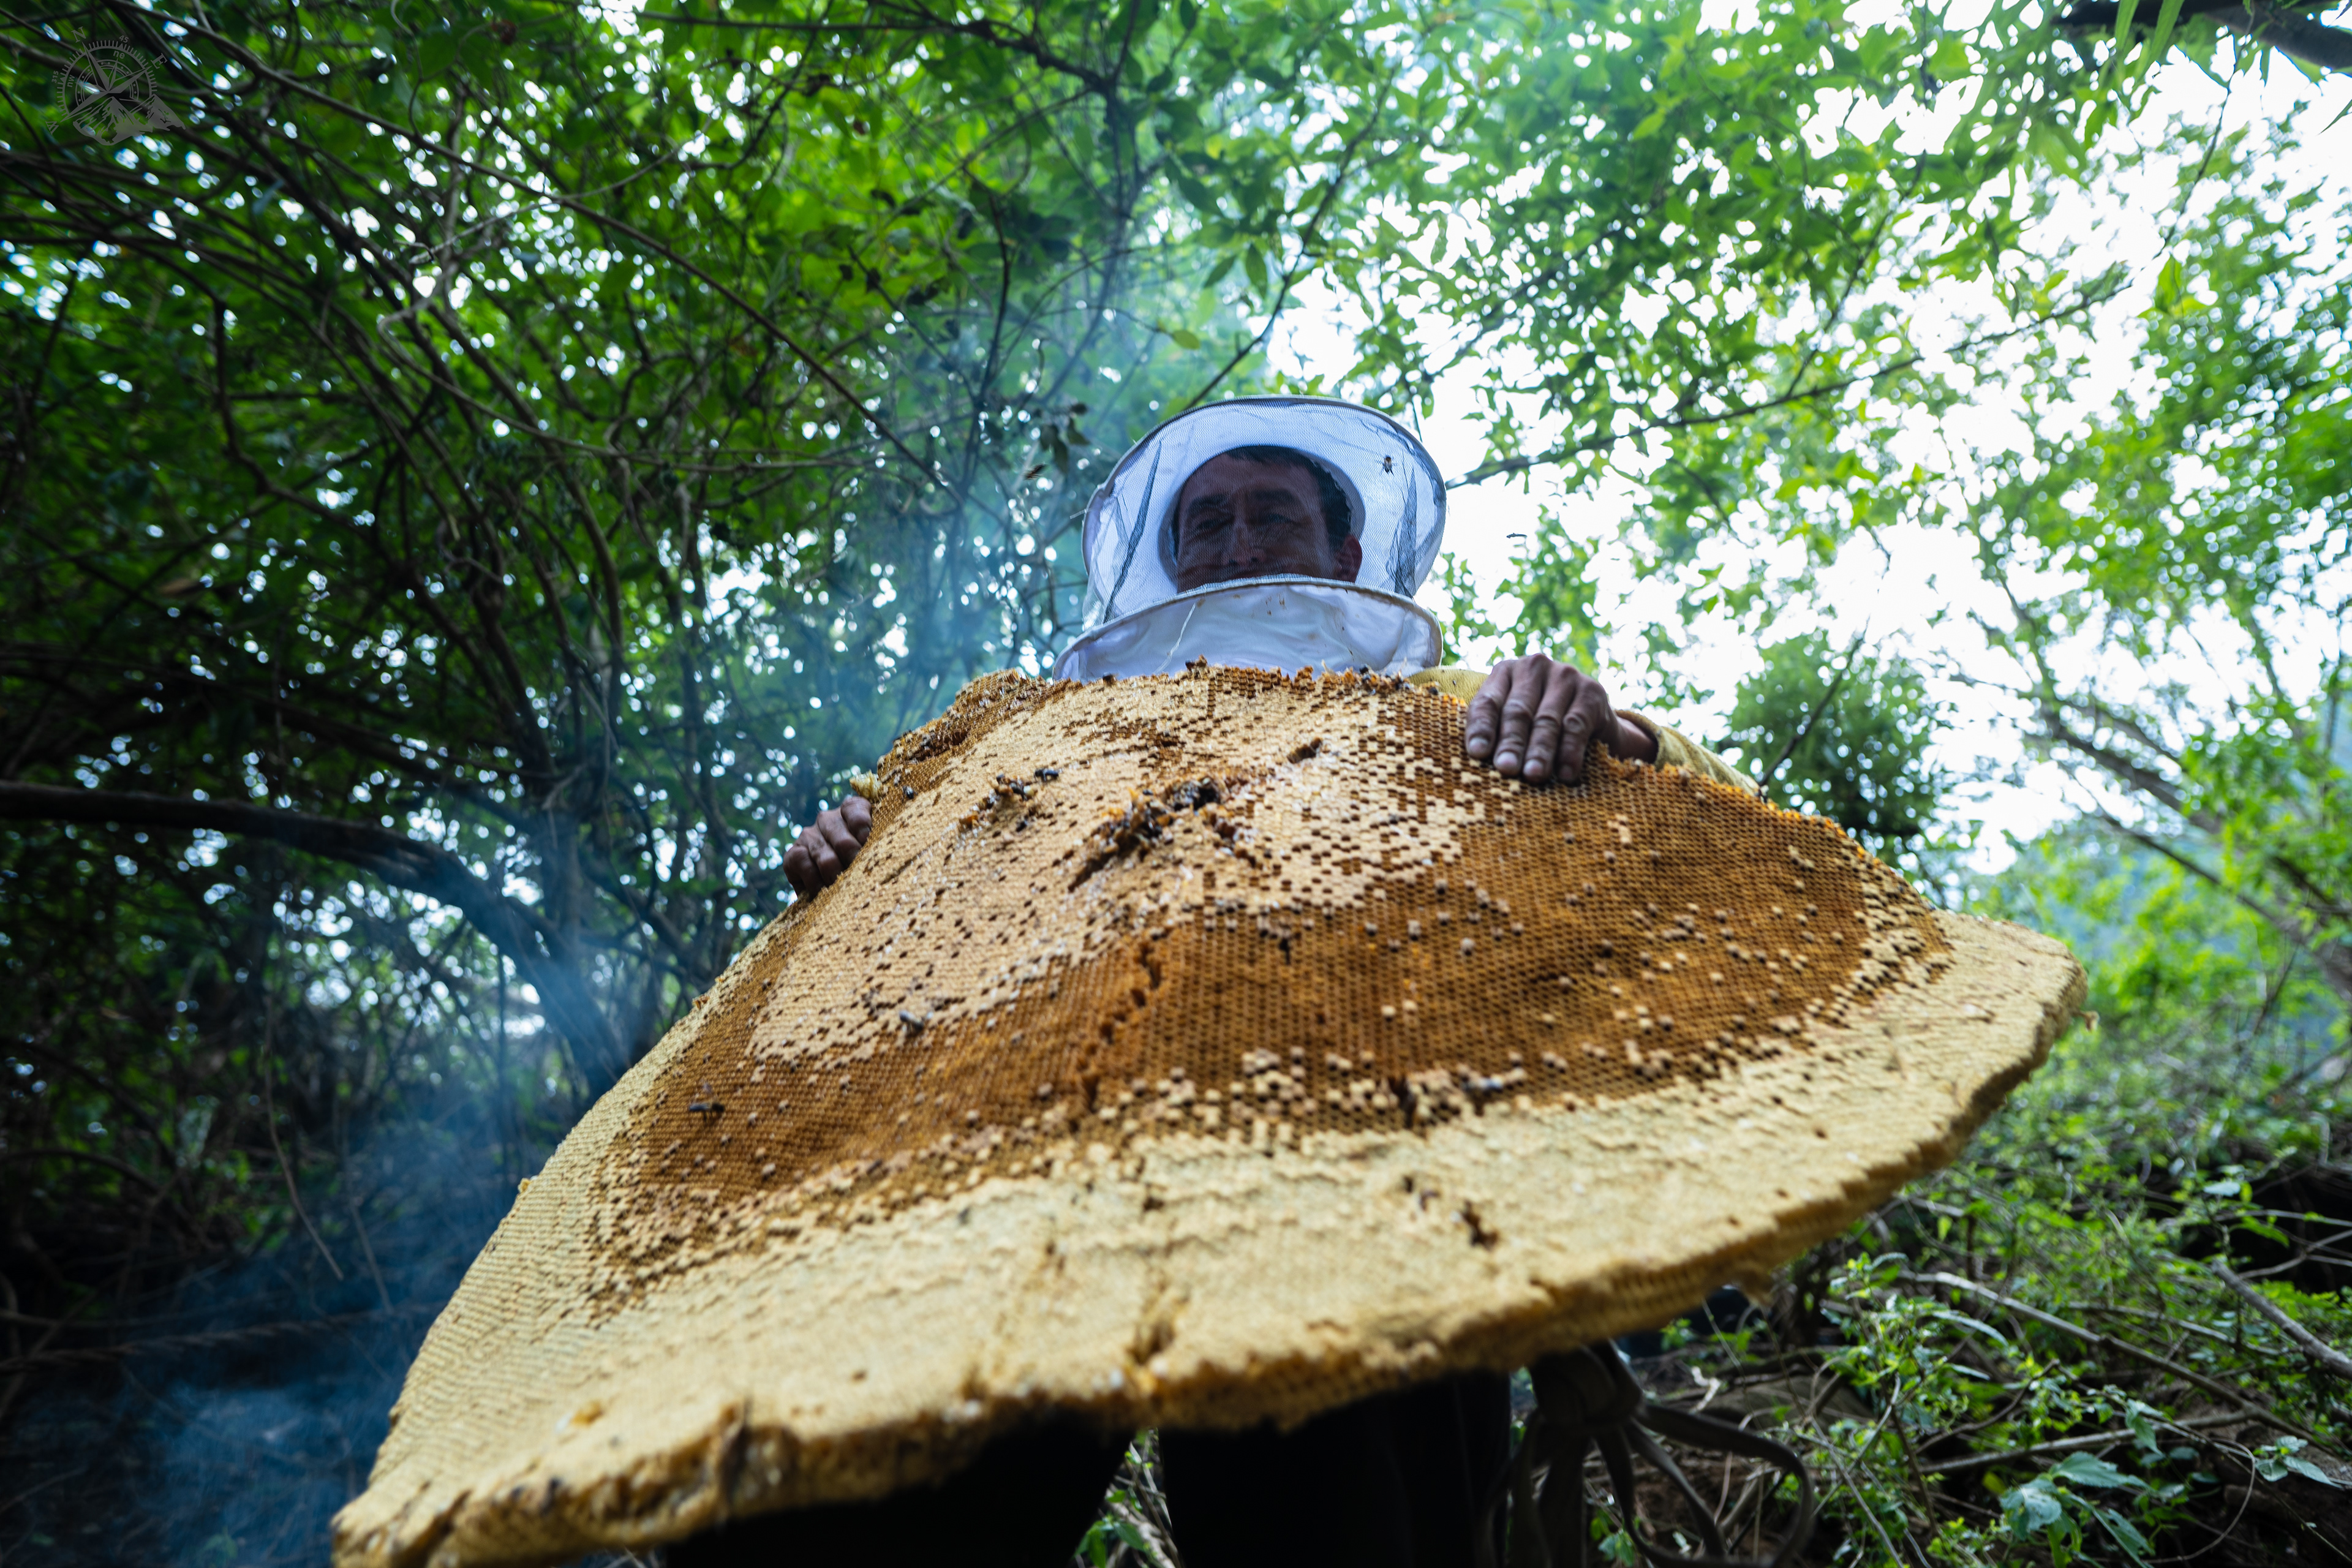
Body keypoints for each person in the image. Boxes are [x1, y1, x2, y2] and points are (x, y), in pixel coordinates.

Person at [717, 405, 1751, 1568]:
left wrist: (1617, 732)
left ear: (1347, 554)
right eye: (1207, 520)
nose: (1239, 537)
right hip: (1039, 1170)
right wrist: (855, 846)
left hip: (1366, 1178)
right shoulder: (1057, 731)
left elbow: (1727, 824)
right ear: (1174, 561)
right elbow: (905, 900)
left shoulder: (1448, 697)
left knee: (1347, 1531)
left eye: (1275, 512)